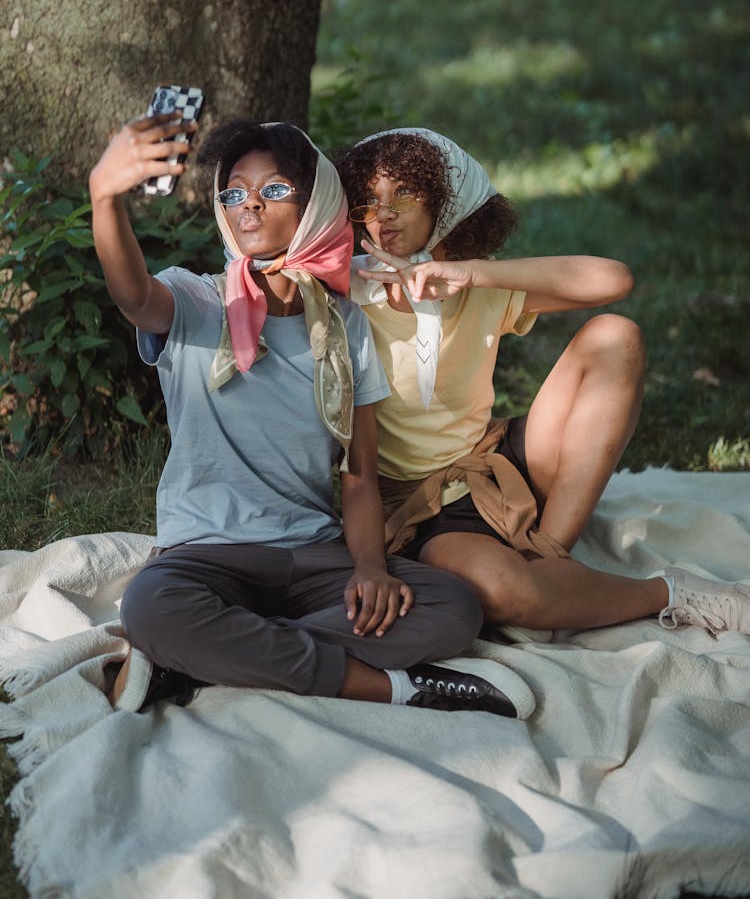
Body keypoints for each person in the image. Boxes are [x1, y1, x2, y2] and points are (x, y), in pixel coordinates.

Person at [89, 113, 536, 718]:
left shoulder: (347, 324)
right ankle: (393, 687)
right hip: (206, 555)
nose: (248, 206)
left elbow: (359, 475)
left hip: (312, 553)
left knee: (452, 606)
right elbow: (132, 294)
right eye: (233, 193)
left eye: (273, 190)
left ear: (316, 204)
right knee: (149, 606)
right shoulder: (194, 300)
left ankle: (203, 659)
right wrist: (104, 196)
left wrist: (372, 568)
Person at [336, 127, 750, 638]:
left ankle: (553, 552)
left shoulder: (474, 282)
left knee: (615, 337)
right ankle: (665, 592)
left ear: (444, 201)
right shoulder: (344, 290)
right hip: (409, 504)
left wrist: (471, 274)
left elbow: (614, 280)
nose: (385, 214)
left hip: (491, 461)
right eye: (368, 201)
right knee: (512, 593)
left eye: (403, 192)